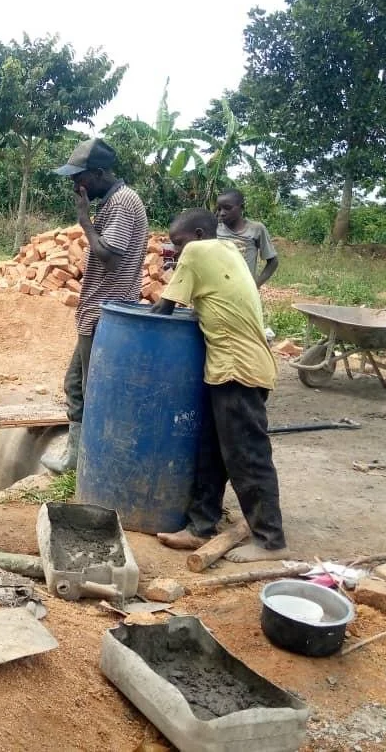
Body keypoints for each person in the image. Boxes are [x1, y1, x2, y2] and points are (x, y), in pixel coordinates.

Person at [151, 208, 289, 562]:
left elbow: (163, 312)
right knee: (212, 452)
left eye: (178, 242)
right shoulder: (229, 250)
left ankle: (270, 540)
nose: (175, 249)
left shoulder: (197, 253)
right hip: (232, 368)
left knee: (248, 456)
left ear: (198, 235)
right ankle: (200, 527)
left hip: (238, 370)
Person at [41, 139, 149, 474]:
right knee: (77, 384)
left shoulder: (122, 203)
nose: (76, 184)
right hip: (100, 313)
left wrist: (84, 219)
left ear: (99, 173)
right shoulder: (115, 200)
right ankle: (79, 460)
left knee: (92, 390)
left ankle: (93, 464)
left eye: (80, 177)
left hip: (107, 313)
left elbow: (110, 256)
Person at [215, 189, 278, 287]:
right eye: (219, 209)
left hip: (244, 290)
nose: (222, 213)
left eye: (227, 208)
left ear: (241, 207)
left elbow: (273, 262)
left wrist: (256, 285)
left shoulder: (256, 229)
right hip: (219, 288)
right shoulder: (215, 230)